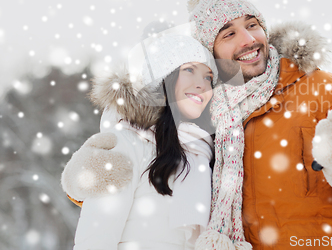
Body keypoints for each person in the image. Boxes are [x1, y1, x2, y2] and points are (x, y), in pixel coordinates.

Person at [186, 0, 332, 250]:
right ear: (211, 53)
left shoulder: (323, 88)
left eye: (252, 25)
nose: (249, 40)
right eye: (228, 34)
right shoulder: (205, 115)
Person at [61, 31, 218, 250]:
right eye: (189, 70)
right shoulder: (126, 142)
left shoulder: (204, 153)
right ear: (163, 77)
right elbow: (95, 239)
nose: (201, 84)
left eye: (208, 77)